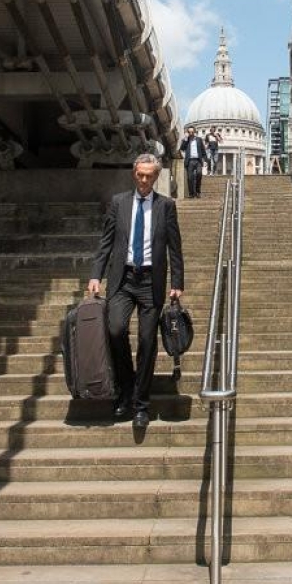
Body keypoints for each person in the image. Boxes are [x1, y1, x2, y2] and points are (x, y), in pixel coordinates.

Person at [87, 153, 184, 430]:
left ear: (156, 177)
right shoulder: (119, 202)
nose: (144, 180)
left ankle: (140, 404)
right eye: (140, 175)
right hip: (123, 279)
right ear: (134, 174)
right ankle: (125, 389)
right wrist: (96, 274)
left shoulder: (166, 206)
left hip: (150, 282)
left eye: (149, 176)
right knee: (115, 330)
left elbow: (175, 248)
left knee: (147, 342)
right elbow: (106, 242)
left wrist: (177, 282)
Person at [179, 126, 207, 198]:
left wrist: (205, 160)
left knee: (199, 174)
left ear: (195, 132)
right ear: (187, 133)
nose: (191, 133)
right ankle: (191, 193)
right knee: (189, 178)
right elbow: (182, 148)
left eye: (192, 132)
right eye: (189, 132)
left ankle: (198, 192)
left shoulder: (199, 140)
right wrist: (185, 139)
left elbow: (203, 150)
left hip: (198, 160)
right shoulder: (186, 140)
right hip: (190, 160)